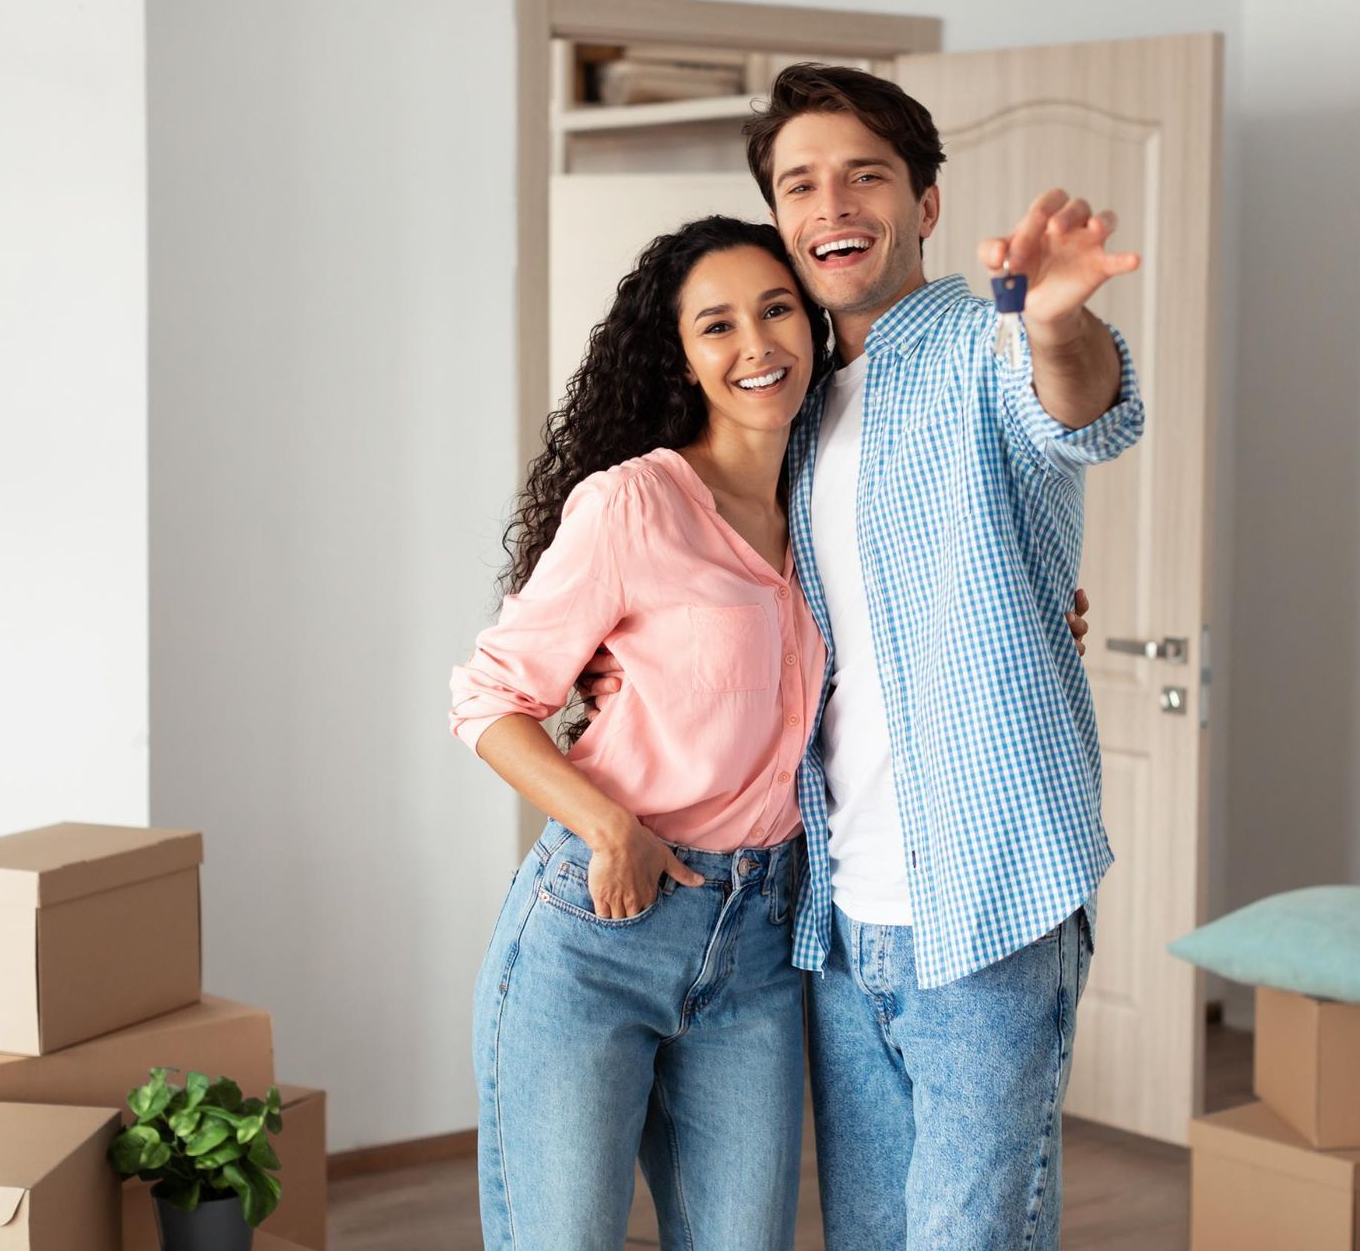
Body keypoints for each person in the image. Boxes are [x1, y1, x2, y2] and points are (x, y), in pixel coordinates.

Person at [750, 63, 1145, 1249]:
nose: (834, 204)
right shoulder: (798, 406)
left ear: (924, 204)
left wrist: (1057, 321)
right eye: (801, 183)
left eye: (867, 174)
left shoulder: (987, 346)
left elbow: (1076, 406)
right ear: (778, 220)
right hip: (841, 910)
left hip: (984, 900)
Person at [449, 217, 829, 1251]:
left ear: (813, 322)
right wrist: (612, 828)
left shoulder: (835, 504)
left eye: (777, 307)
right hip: (597, 929)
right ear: (686, 358)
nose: (757, 343)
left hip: (758, 940)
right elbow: (487, 699)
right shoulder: (635, 503)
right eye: (718, 324)